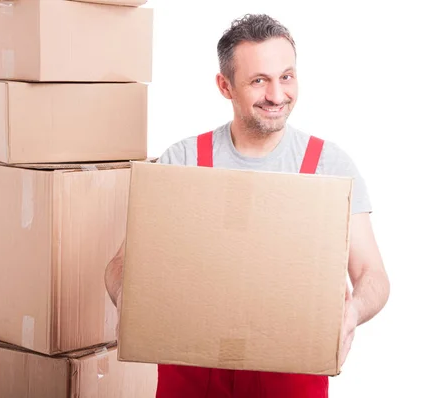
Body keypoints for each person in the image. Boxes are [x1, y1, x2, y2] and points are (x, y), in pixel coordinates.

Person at [105, 13, 390, 398]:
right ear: (225, 86)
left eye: (286, 77)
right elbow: (121, 265)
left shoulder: (329, 167)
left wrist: (351, 313)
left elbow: (373, 275)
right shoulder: (184, 161)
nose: (276, 95)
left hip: (291, 374)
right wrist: (131, 301)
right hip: (192, 372)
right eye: (259, 81)